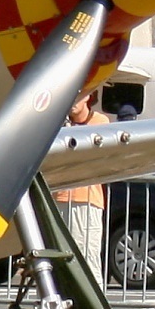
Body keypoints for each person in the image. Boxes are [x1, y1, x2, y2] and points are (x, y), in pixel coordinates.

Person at [52, 91, 112, 280]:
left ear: (88, 96)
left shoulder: (100, 122)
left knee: (87, 257)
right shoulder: (59, 123)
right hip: (58, 197)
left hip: (86, 200)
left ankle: (93, 306)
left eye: (79, 95)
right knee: (57, 258)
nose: (73, 102)